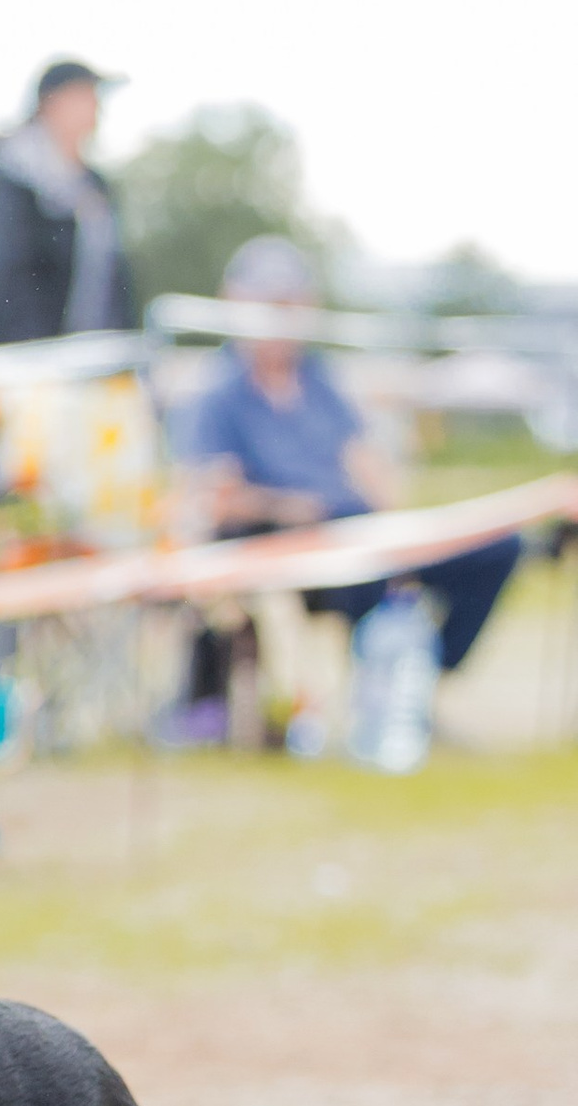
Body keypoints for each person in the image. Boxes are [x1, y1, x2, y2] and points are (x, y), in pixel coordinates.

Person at [170, 233, 521, 735]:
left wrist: (397, 513)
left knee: (496, 549)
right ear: (236, 303)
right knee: (366, 566)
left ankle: (417, 682)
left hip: (358, 532)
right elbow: (213, 500)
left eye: (291, 302)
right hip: (292, 543)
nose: (282, 316)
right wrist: (289, 507)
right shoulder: (217, 392)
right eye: (270, 302)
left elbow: (370, 469)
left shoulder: (323, 382)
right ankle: (384, 701)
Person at [0, 59, 137, 351]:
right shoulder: (19, 181)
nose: (95, 107)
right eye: (84, 95)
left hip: (89, 357)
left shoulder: (95, 189)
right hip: (29, 362)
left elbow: (114, 282)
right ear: (51, 103)